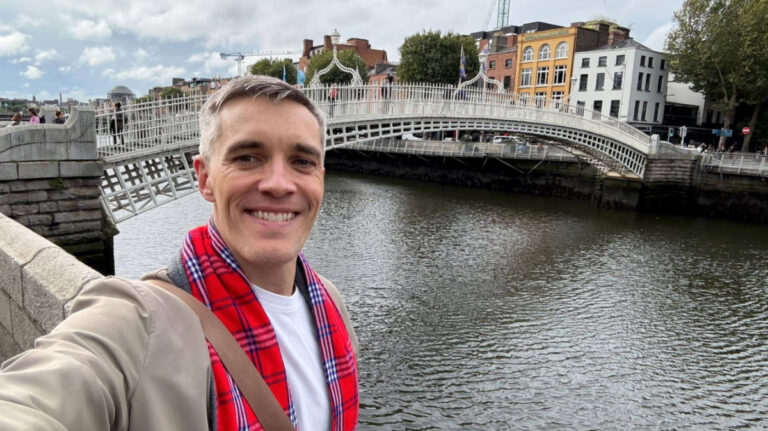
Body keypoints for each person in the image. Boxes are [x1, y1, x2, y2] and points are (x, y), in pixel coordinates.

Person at [0, 76, 359, 431]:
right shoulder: (139, 321)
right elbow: (36, 398)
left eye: (303, 161)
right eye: (248, 157)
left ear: (321, 178)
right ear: (204, 179)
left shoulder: (330, 301)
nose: (279, 184)